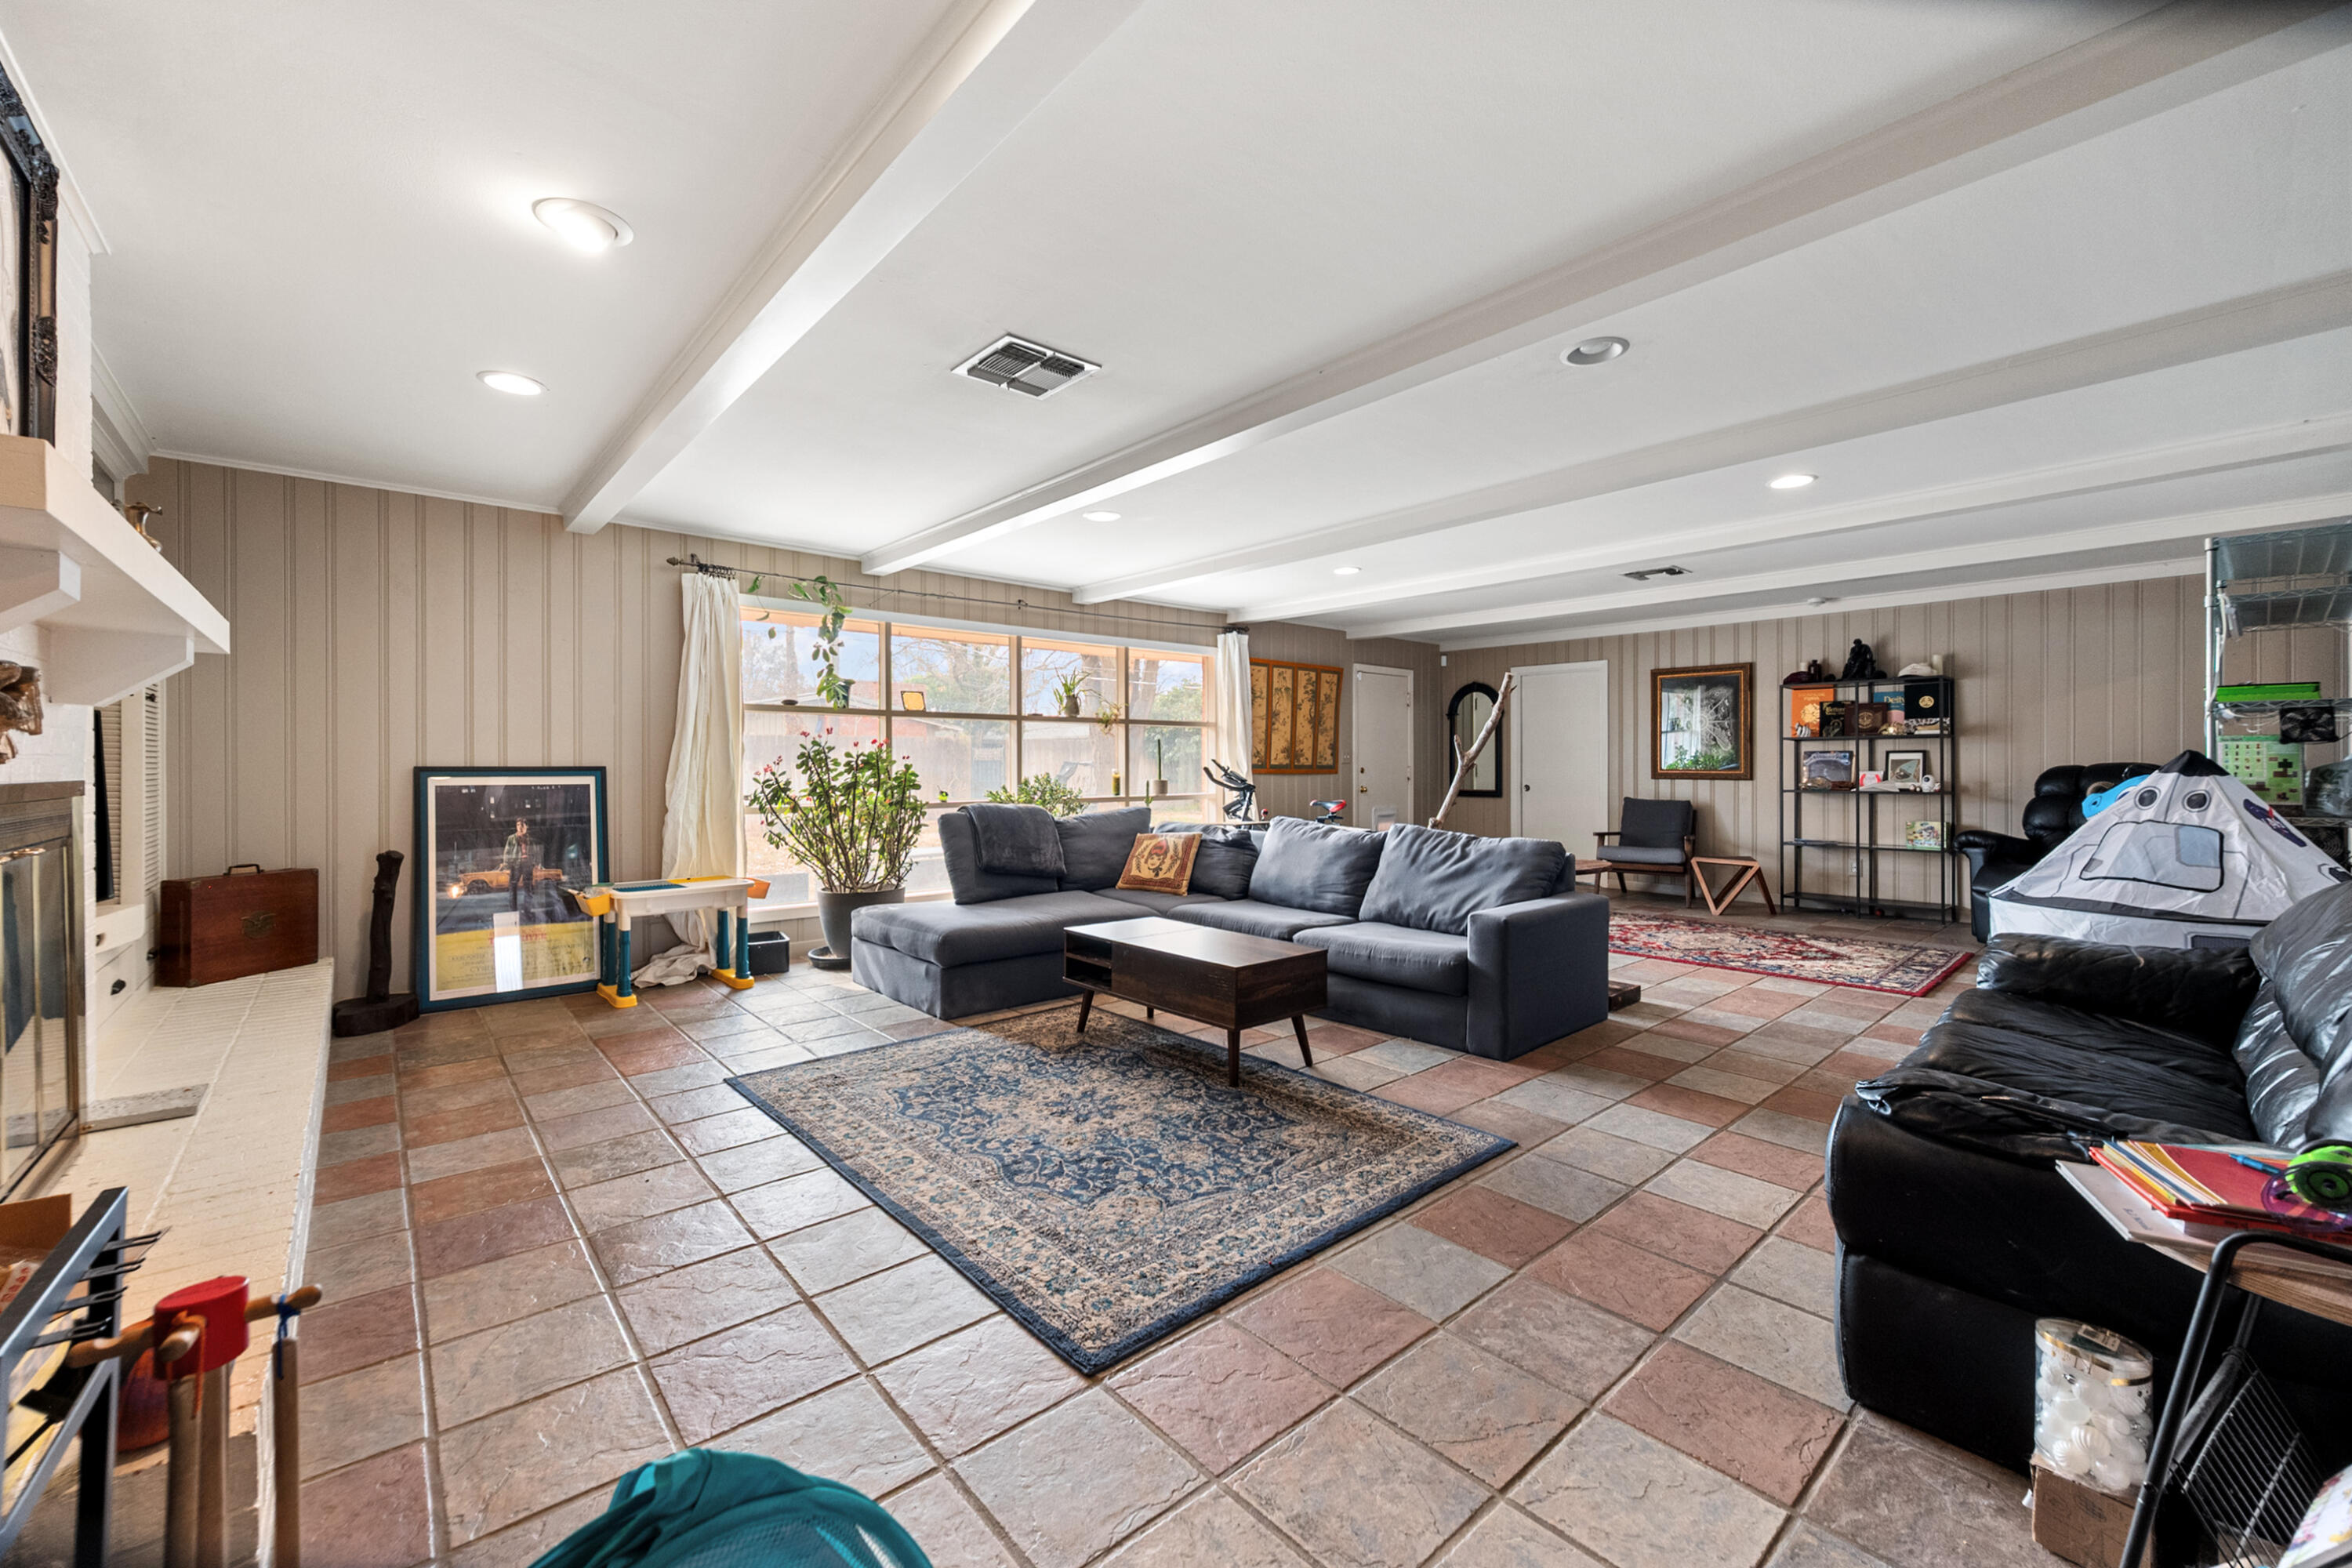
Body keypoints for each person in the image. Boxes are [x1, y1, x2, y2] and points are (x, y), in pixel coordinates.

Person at [502, 818, 535, 916]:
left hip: (527, 865)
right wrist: (507, 867)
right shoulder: (512, 838)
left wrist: (534, 864)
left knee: (528, 889)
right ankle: (513, 912)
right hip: (515, 865)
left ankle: (528, 911)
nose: (520, 827)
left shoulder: (529, 839)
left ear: (526, 827)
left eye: (522, 825)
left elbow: (534, 852)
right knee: (513, 889)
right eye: (518, 825)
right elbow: (507, 853)